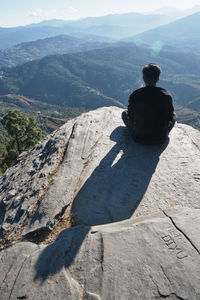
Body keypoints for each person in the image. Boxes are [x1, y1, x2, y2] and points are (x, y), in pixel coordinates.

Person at [122, 63, 176, 145]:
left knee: (124, 113)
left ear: (143, 78)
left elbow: (131, 116)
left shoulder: (136, 94)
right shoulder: (166, 95)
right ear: (158, 78)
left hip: (138, 138)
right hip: (160, 139)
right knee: (174, 115)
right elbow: (170, 117)